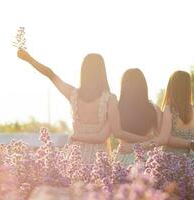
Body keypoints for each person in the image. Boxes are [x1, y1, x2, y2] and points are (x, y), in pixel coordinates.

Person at [17, 50, 150, 164]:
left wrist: (29, 59)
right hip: (98, 160)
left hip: (75, 156)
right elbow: (105, 136)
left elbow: (51, 74)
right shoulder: (110, 99)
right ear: (102, 72)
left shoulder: (72, 94)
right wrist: (148, 139)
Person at [120, 70, 194, 156]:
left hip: (171, 161)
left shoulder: (169, 110)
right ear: (188, 88)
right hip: (192, 159)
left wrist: (134, 147)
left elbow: (165, 139)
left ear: (171, 87)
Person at [117, 69, 194, 163]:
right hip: (144, 158)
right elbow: (163, 138)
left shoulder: (118, 108)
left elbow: (164, 138)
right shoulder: (153, 109)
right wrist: (148, 139)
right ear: (143, 86)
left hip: (122, 157)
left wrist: (134, 146)